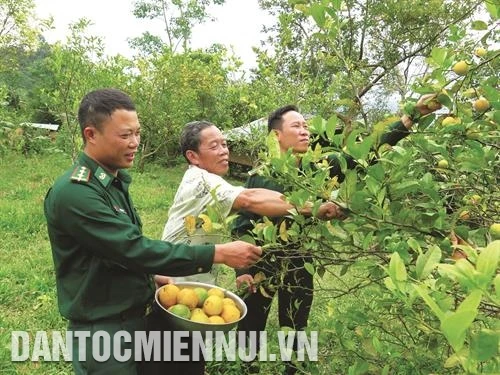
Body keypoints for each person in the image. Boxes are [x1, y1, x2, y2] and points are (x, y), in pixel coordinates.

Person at [43, 88, 262, 375]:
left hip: (137, 316)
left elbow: (111, 253)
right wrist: (217, 254)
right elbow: (132, 248)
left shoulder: (113, 181)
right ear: (91, 134)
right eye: (125, 135)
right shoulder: (77, 193)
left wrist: (151, 275)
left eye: (137, 133)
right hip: (104, 329)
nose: (135, 143)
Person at [232, 95, 441, 374]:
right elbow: (242, 222)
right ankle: (247, 367)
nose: (305, 130)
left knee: (296, 321)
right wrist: (241, 270)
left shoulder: (321, 166)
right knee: (252, 320)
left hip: (301, 256)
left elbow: (367, 151)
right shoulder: (261, 174)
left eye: (306, 126)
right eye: (296, 126)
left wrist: (410, 117)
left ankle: (294, 369)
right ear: (276, 135)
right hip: (262, 258)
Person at [157, 120, 344, 374]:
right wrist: (313, 208)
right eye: (214, 146)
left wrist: (308, 203)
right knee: (173, 362)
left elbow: (257, 196)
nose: (224, 150)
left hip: (191, 290)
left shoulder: (211, 181)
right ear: (193, 156)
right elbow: (249, 200)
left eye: (224, 144)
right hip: (172, 289)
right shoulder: (199, 181)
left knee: (189, 362)